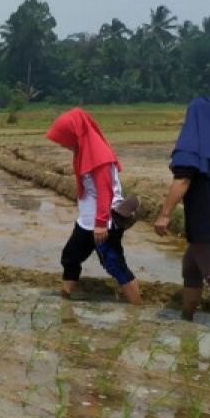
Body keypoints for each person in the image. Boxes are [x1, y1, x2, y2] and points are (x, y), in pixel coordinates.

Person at [152, 98, 210, 331]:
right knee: (191, 266)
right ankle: (187, 319)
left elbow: (182, 179)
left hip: (206, 216)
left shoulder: (190, 144)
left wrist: (165, 214)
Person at [45, 108, 142, 304]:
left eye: (64, 139)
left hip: (103, 224)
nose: (63, 145)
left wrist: (100, 223)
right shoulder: (83, 151)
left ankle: (137, 308)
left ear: (74, 134)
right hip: (86, 222)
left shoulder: (99, 155)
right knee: (70, 257)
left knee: (114, 265)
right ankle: (66, 301)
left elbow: (105, 192)